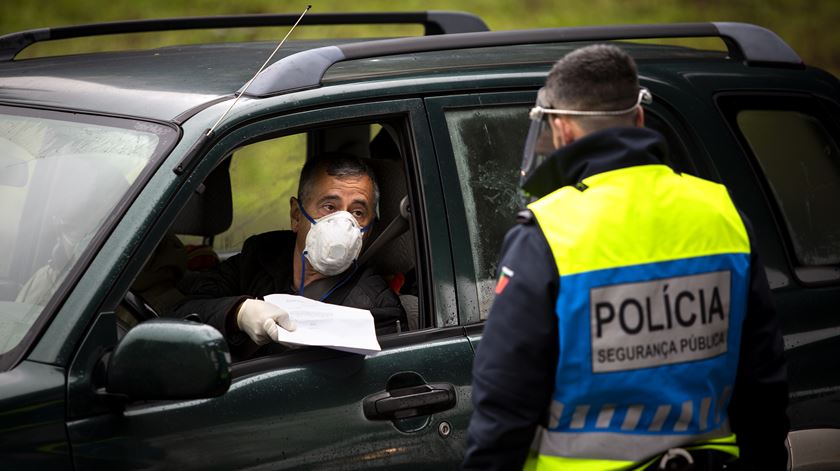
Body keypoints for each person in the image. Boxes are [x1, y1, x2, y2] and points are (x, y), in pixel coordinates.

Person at [463, 45, 788, 470]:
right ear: (638, 118)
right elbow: (762, 387)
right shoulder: (722, 214)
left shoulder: (546, 234)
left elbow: (505, 404)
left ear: (560, 128)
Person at [172, 152, 407, 359]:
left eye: (357, 212)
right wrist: (238, 312)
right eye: (329, 207)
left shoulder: (377, 309)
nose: (343, 223)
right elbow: (181, 311)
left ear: (369, 230)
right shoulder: (259, 256)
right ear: (296, 215)